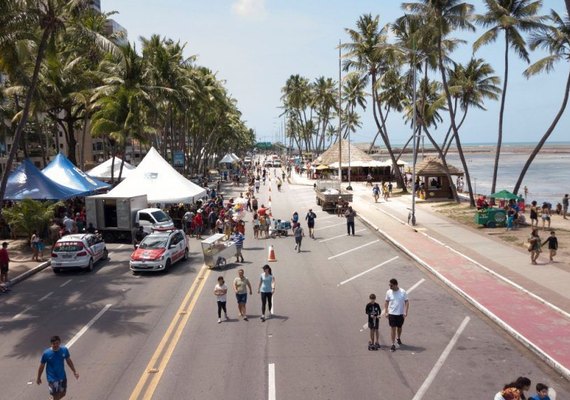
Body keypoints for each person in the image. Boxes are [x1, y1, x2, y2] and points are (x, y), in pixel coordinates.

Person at [36, 335, 79, 400]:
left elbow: (68, 361)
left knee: (63, 394)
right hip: (52, 378)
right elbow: (41, 366)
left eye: (57, 343)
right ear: (51, 344)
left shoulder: (64, 350)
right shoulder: (46, 353)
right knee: (56, 395)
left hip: (62, 376)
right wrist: (38, 378)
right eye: (54, 344)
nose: (56, 345)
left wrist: (74, 371)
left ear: (60, 342)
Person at [384, 278, 409, 352]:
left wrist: (405, 312)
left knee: (399, 327)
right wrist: (386, 312)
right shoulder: (388, 292)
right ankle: (393, 344)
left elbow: (407, 302)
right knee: (393, 328)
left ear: (395, 285)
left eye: (391, 285)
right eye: (389, 285)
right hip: (392, 313)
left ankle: (398, 338)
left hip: (400, 314)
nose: (390, 287)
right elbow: (386, 302)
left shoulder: (402, 292)